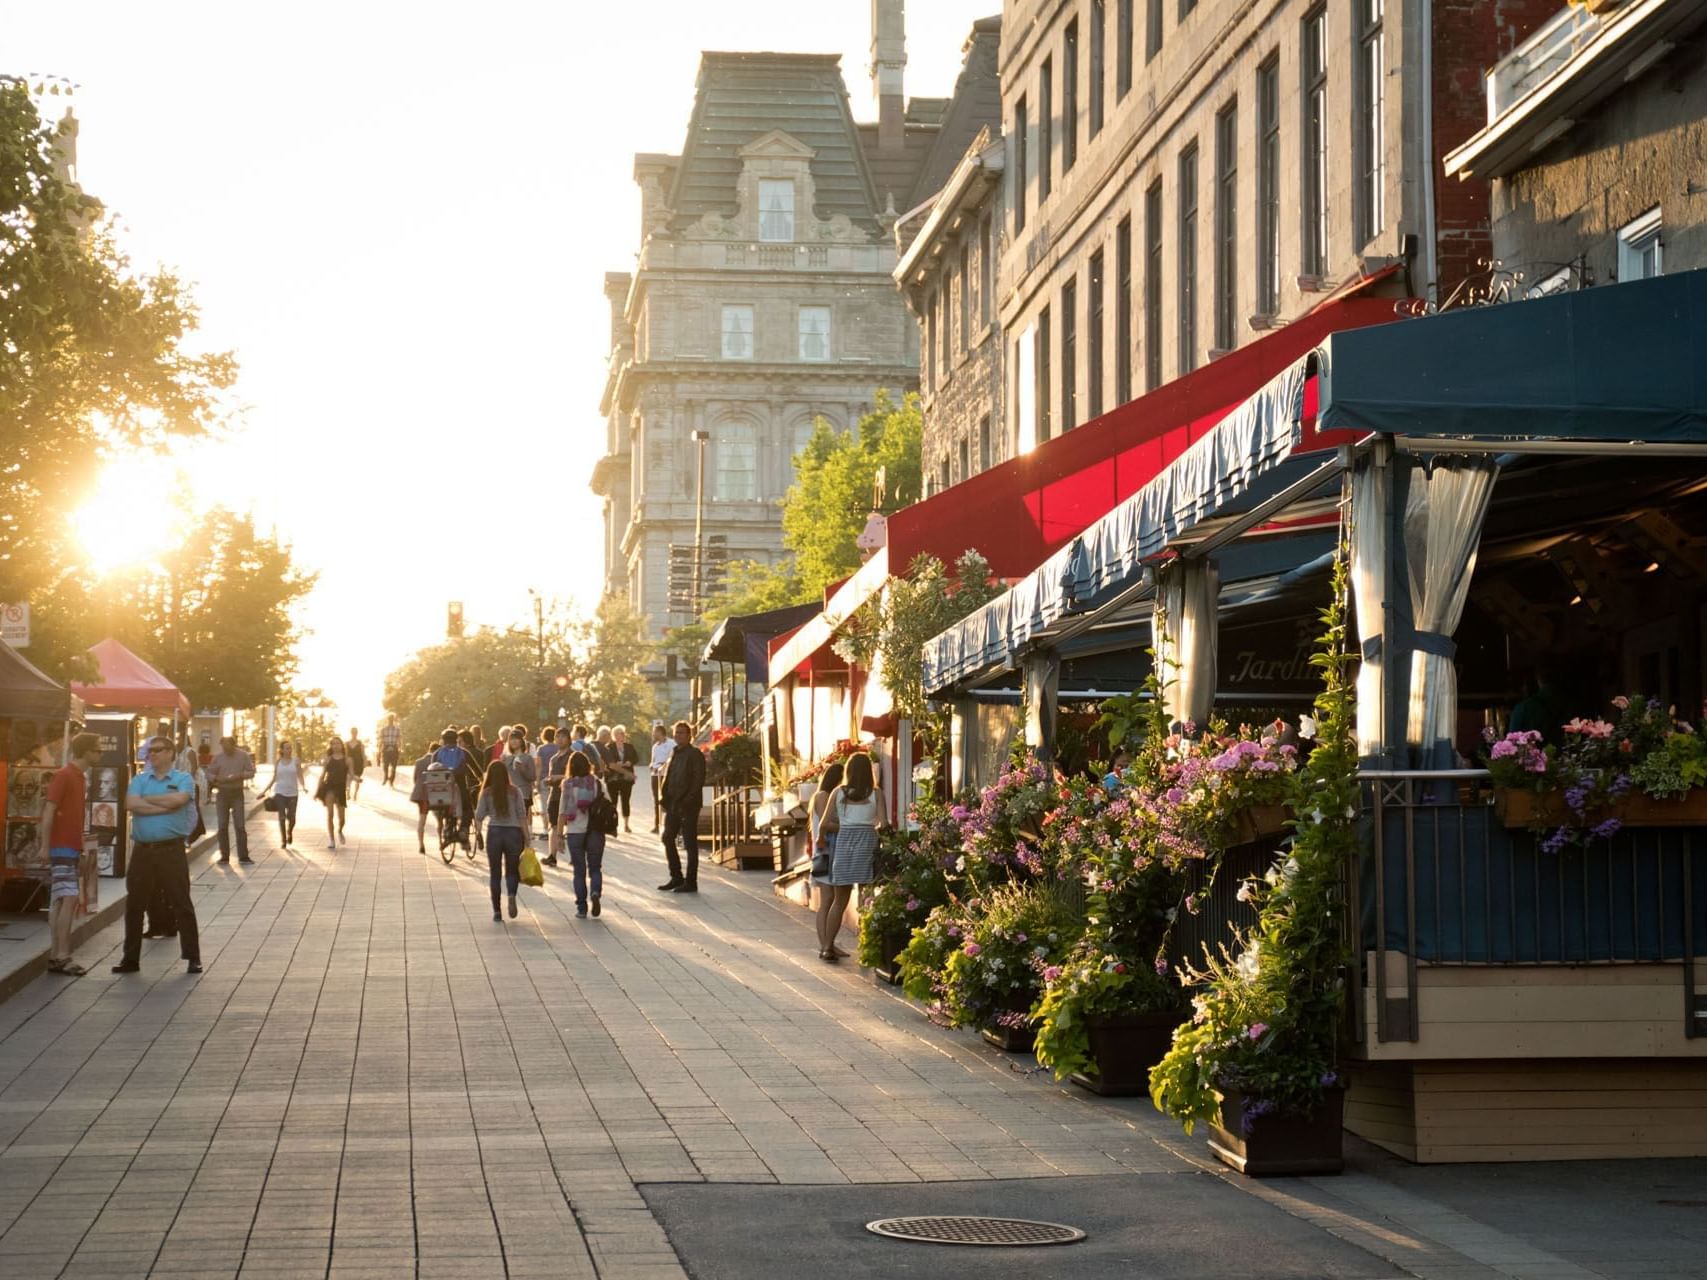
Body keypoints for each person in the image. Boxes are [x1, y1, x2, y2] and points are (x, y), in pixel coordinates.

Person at [113, 736, 202, 976]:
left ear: (171, 753)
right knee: (134, 905)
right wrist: (165, 806)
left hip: (171, 850)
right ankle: (130, 958)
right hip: (143, 850)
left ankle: (193, 957)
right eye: (150, 751)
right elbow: (130, 804)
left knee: (181, 902)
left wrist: (147, 801)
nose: (152, 755)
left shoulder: (183, 779)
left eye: (158, 750)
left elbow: (180, 799)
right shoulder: (140, 779)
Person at [40, 732, 103, 976]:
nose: (100, 753)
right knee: (68, 899)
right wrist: (46, 846)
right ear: (86, 751)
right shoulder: (65, 776)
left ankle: (57, 954)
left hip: (69, 846)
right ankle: (63, 955)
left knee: (60, 900)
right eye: (97, 750)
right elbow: (49, 811)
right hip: (62, 847)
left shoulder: (79, 778)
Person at [820, 752, 886, 962]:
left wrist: (846, 828)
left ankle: (827, 947)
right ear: (869, 771)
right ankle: (867, 947)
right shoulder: (876, 794)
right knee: (866, 898)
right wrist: (869, 828)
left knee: (839, 901)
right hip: (867, 844)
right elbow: (883, 824)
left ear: (848, 771)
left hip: (844, 846)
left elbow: (824, 825)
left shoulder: (838, 793)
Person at [475, 759, 528, 922]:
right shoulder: (515, 791)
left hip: (495, 833)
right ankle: (511, 895)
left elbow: (479, 816)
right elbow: (522, 815)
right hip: (513, 833)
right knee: (512, 871)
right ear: (506, 774)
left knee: (495, 873)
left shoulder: (486, 792)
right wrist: (527, 837)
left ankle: (497, 911)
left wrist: (478, 834)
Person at [557, 750, 606, 918]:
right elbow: (608, 804)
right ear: (588, 765)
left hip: (574, 831)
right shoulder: (597, 783)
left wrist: (559, 835)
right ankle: (595, 893)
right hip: (595, 831)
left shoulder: (567, 784)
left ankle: (582, 907)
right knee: (595, 868)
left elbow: (562, 812)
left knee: (579, 870)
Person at [658, 720, 704, 894]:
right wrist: (664, 798)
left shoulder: (694, 754)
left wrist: (687, 801)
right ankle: (676, 876)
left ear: (689, 735)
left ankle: (691, 881)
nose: (679, 736)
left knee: (690, 843)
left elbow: (697, 780)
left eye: (682, 733)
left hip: (688, 805)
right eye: (676, 733)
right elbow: (668, 777)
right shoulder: (675, 752)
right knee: (667, 838)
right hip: (673, 803)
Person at [808, 761, 846, 963]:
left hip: (832, 852)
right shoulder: (823, 796)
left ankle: (829, 942)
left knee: (831, 899)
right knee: (827, 900)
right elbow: (827, 821)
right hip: (824, 853)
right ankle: (825, 944)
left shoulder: (829, 795)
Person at [205, 735, 256, 865]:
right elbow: (209, 772)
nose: (226, 749)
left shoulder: (243, 756)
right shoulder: (218, 757)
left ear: (234, 745)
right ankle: (224, 856)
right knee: (222, 825)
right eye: (223, 747)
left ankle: (243, 856)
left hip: (237, 792)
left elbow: (251, 771)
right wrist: (215, 779)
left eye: (228, 746)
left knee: (240, 825)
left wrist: (239, 776)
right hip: (222, 792)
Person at [258, 739, 305, 848]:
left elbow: (300, 774)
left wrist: (304, 786)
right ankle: (283, 840)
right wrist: (265, 791)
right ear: (282, 750)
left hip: (293, 793)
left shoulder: (296, 761)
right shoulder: (278, 762)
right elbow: (274, 777)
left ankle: (290, 831)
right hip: (280, 792)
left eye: (290, 748)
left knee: (292, 817)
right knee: (282, 816)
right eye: (287, 748)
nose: (289, 750)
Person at [502, 728, 538, 838]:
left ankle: (522, 842)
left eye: (516, 739)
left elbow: (532, 777)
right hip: (508, 794)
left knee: (520, 821)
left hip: (523, 794)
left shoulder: (527, 758)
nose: (513, 741)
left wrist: (523, 770)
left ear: (521, 741)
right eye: (511, 739)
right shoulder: (506, 758)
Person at [316, 737, 350, 849]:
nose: (335, 746)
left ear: (341, 745)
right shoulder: (328, 759)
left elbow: (351, 774)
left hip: (340, 789)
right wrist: (317, 790)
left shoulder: (347, 760)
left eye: (338, 743)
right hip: (329, 787)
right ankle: (331, 839)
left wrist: (357, 779)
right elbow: (322, 775)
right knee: (330, 814)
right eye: (333, 744)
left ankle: (340, 831)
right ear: (331, 746)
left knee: (342, 819)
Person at [649, 722, 674, 834]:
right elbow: (653, 760)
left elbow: (672, 758)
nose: (653, 735)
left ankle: (670, 824)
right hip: (655, 774)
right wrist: (652, 765)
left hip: (666, 774)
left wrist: (663, 765)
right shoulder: (655, 746)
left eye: (655, 732)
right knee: (656, 800)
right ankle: (657, 824)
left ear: (660, 732)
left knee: (668, 799)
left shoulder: (671, 744)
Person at [534, 726, 559, 836]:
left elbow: (538, 766)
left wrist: (537, 781)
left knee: (544, 805)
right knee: (555, 804)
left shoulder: (541, 749)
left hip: (544, 779)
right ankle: (555, 826)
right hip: (556, 779)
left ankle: (545, 828)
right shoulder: (558, 748)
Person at [379, 714, 402, 786]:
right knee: (385, 765)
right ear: (388, 720)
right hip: (386, 747)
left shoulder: (397, 729)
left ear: (393, 720)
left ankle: (391, 780)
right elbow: (381, 740)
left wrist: (399, 748)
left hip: (394, 747)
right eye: (390, 719)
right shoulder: (383, 729)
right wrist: (380, 749)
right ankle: (386, 777)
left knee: (394, 766)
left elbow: (399, 739)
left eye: (392, 719)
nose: (391, 721)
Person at [346, 730, 367, 801]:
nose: (354, 734)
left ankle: (355, 793)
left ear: (357, 733)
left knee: (357, 778)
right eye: (353, 733)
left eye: (355, 733)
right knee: (348, 778)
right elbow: (344, 754)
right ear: (351, 733)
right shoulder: (346, 743)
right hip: (349, 763)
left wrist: (365, 762)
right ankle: (348, 793)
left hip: (358, 763)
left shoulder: (360, 744)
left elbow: (363, 753)